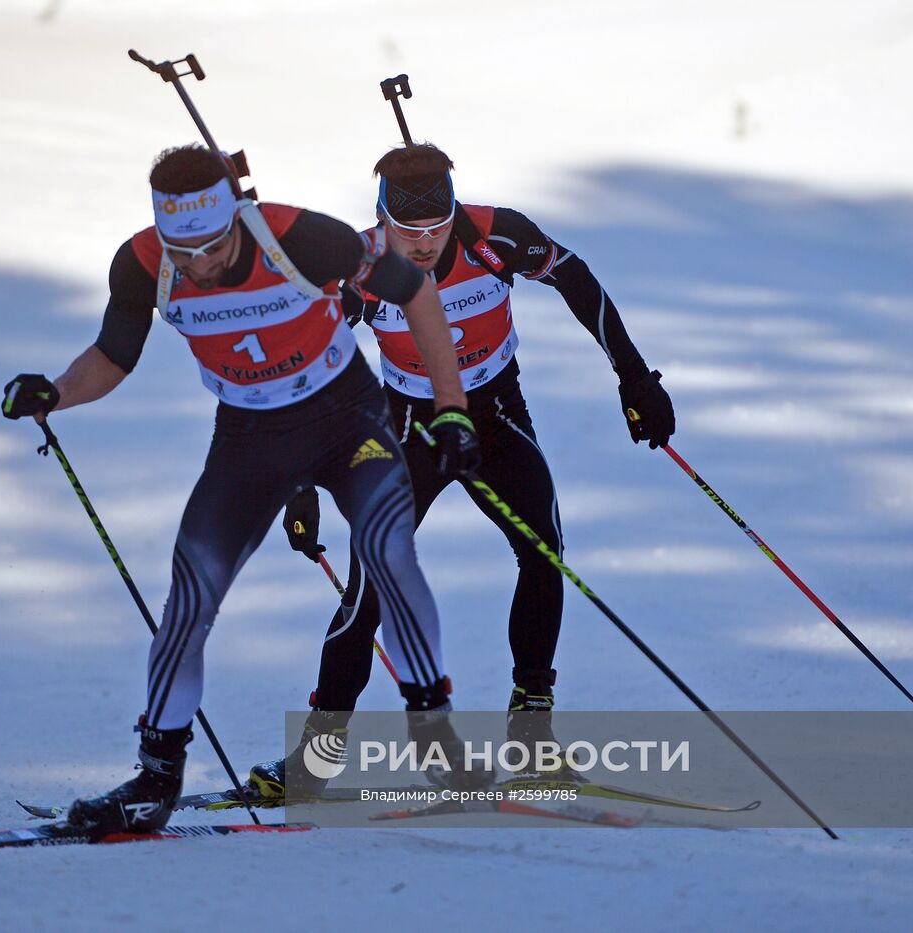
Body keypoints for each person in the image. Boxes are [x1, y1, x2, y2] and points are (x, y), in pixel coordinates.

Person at [1, 144, 482, 836]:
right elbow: (113, 354)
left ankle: (437, 742)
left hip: (348, 421)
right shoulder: (141, 263)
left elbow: (417, 291)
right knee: (190, 594)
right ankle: (155, 777)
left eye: (212, 245)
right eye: (182, 249)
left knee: (387, 549)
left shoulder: (304, 238)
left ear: (237, 217)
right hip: (249, 439)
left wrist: (452, 408)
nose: (198, 264)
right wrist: (57, 391)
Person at [250, 142, 675, 798]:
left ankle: (531, 734)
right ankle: (317, 756)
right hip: (409, 428)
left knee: (543, 551)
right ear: (381, 218)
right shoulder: (361, 264)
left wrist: (634, 377)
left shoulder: (495, 235)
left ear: (455, 212)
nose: (421, 245)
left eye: (435, 228)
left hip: (496, 416)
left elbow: (577, 278)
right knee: (370, 584)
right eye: (406, 231)